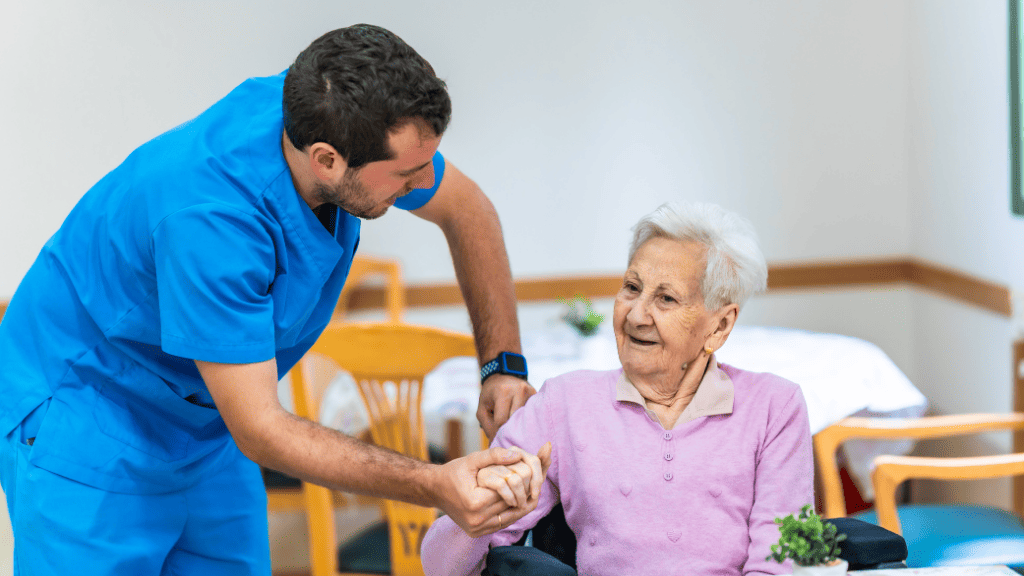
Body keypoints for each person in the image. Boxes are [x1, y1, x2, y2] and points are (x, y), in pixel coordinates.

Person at [0, 24, 547, 575]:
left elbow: (467, 210)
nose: (427, 181)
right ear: (327, 160)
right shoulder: (212, 221)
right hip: (86, 415)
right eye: (406, 175)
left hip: (204, 424)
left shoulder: (326, 106)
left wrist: (501, 365)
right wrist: (433, 484)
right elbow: (262, 428)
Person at [423, 201, 815, 576]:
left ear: (720, 326)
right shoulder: (564, 404)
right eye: (631, 287)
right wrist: (482, 508)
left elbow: (785, 561)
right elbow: (439, 566)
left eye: (666, 298)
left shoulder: (775, 408)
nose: (637, 314)